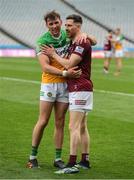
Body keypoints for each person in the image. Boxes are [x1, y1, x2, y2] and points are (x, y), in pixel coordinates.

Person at [27, 11, 96, 169]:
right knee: (43, 120)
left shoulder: (67, 34)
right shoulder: (42, 41)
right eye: (50, 24)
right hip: (50, 84)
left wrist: (86, 35)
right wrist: (65, 73)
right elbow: (45, 66)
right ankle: (32, 156)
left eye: (56, 22)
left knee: (60, 122)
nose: (54, 26)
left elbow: (91, 41)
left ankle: (58, 159)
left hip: (65, 85)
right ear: (46, 25)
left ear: (60, 22)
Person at [42, 14, 94, 174]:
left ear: (78, 27)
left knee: (74, 126)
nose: (66, 28)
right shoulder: (76, 41)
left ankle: (71, 164)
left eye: (69, 26)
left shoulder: (80, 42)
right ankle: (84, 160)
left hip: (79, 88)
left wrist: (53, 55)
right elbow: (94, 41)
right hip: (81, 88)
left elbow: (70, 64)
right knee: (82, 126)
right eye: (66, 26)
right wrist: (87, 35)